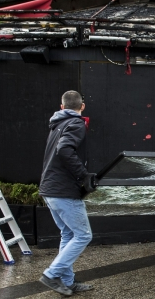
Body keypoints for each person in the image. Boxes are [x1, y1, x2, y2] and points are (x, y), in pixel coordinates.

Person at [38, 90, 94, 296]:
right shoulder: (76, 123)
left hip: (50, 190)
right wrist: (83, 175)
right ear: (82, 106)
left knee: (68, 234)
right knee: (83, 235)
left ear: (62, 107)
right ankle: (52, 274)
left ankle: (67, 282)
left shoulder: (57, 125)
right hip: (64, 191)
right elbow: (64, 150)